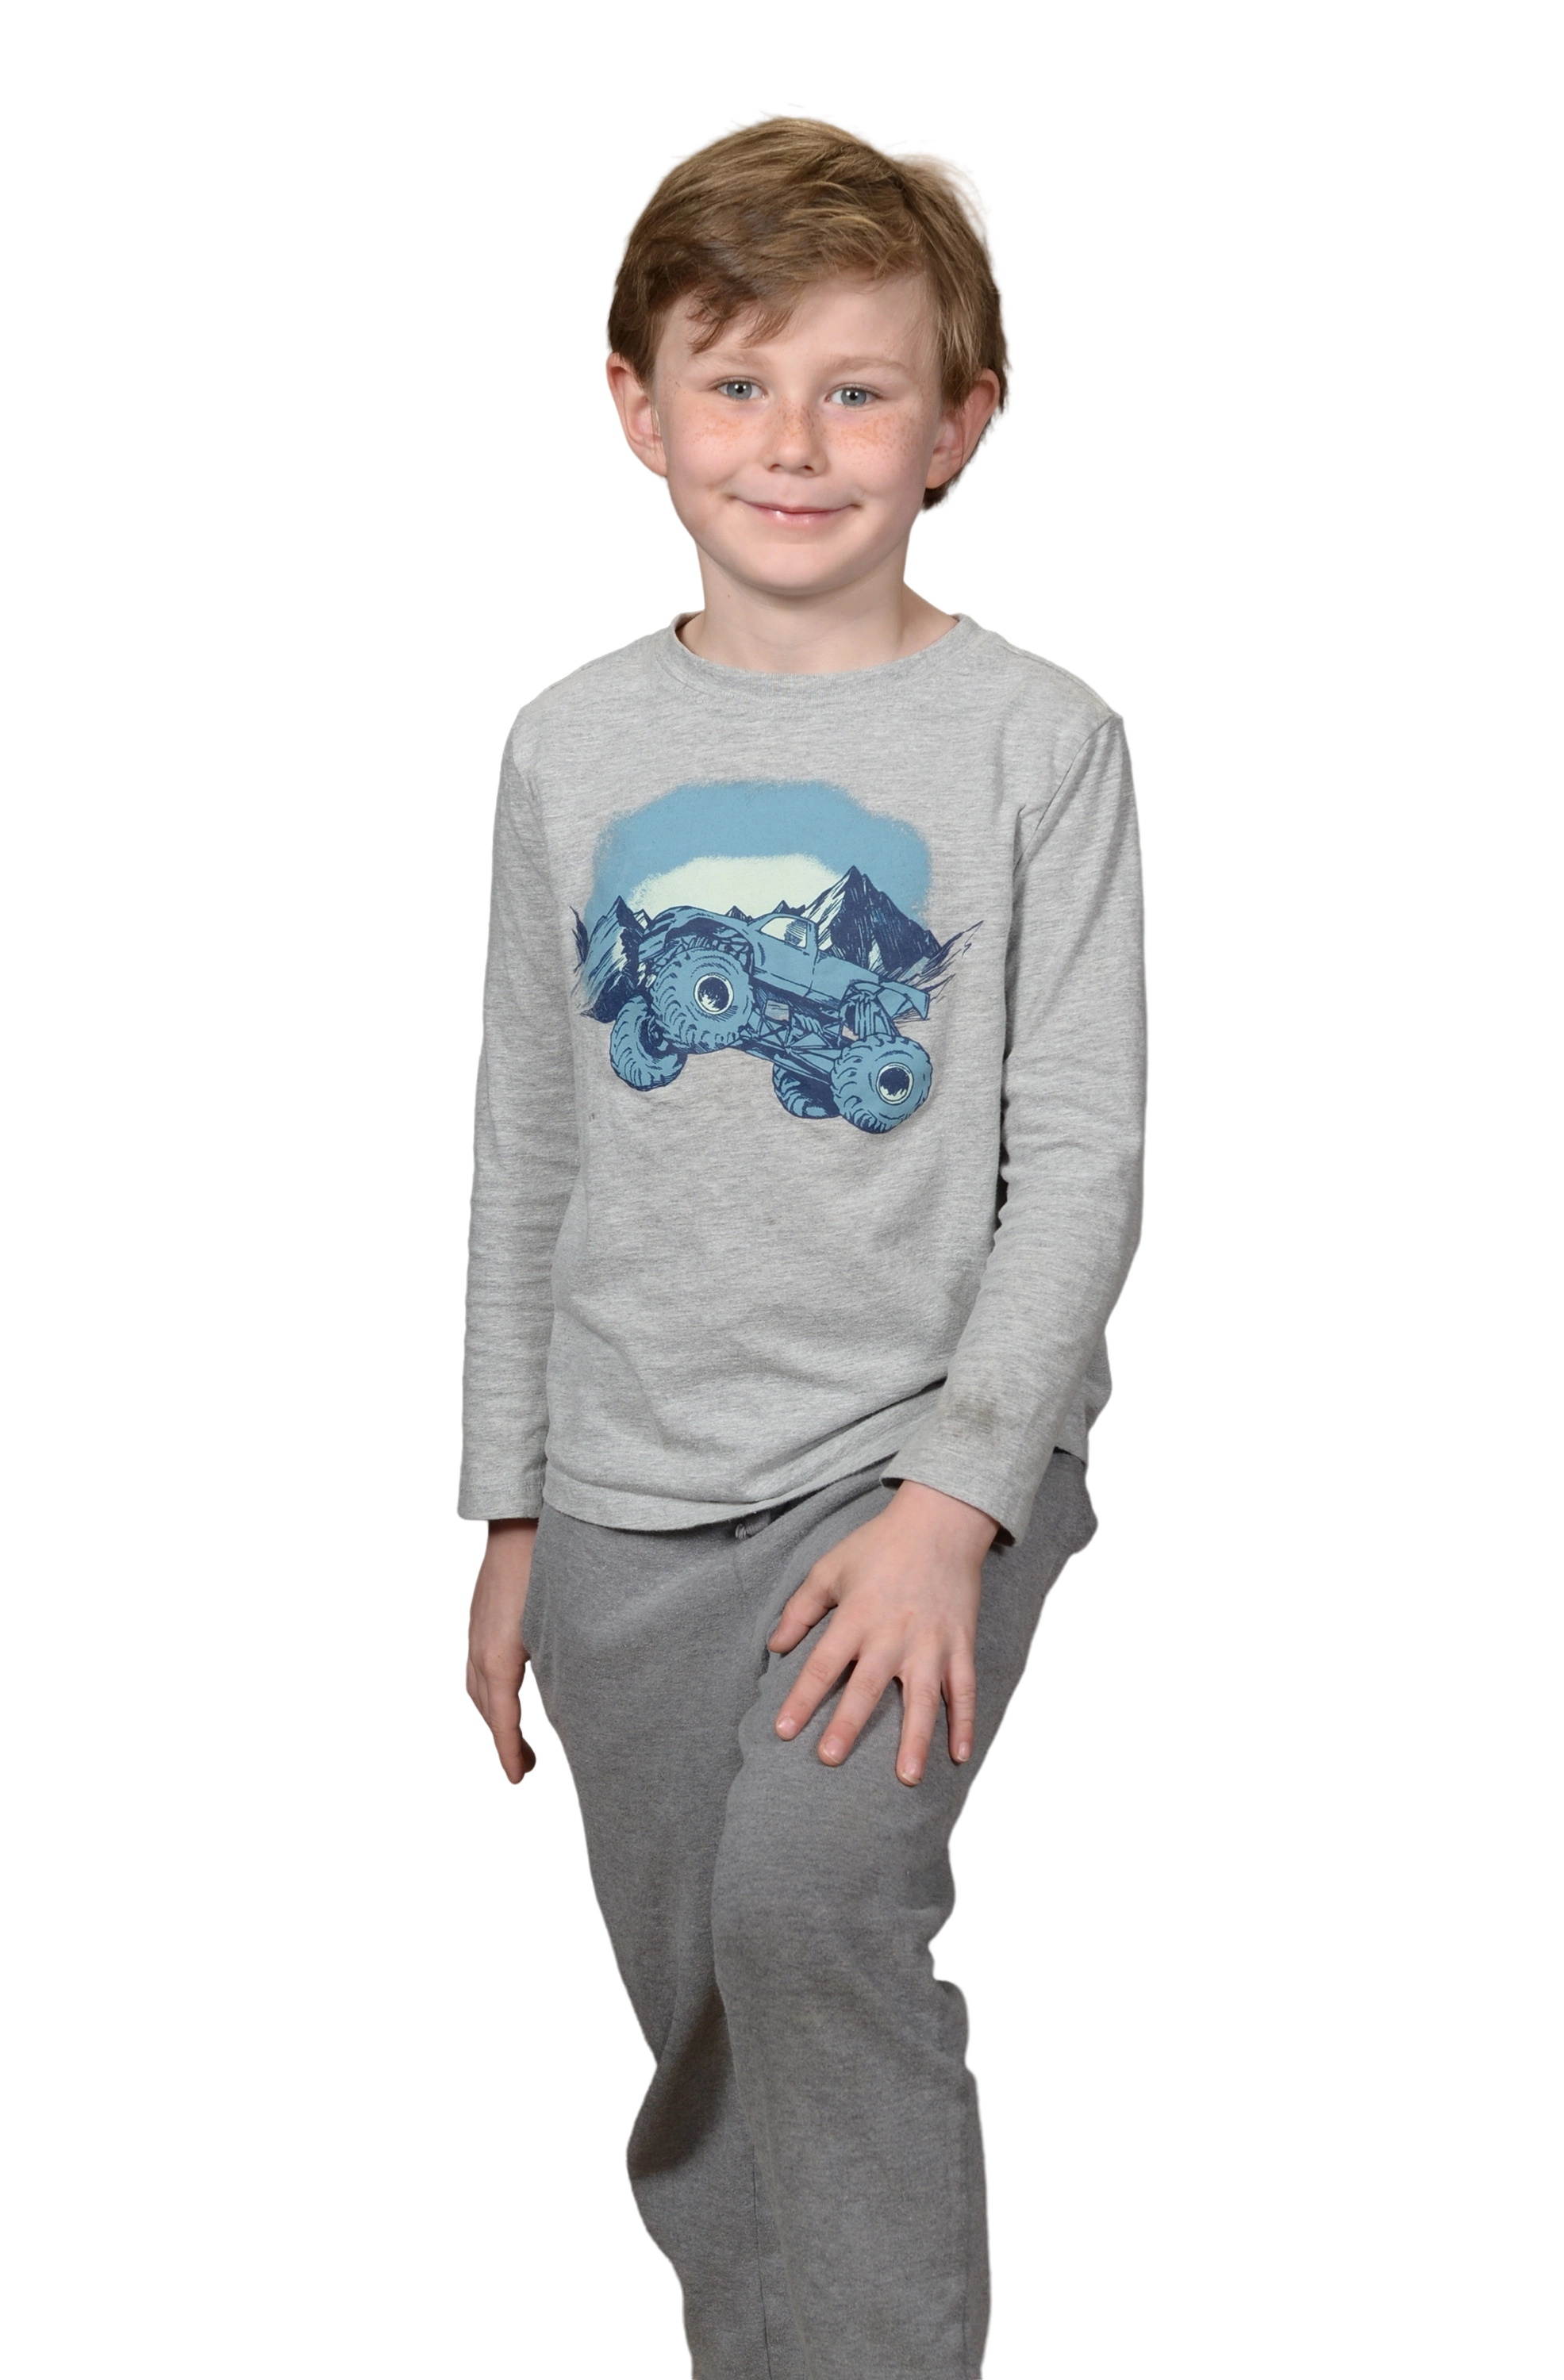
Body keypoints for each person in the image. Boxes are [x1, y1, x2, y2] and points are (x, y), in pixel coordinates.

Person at [459, 102, 1149, 2380]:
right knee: (696, 1988)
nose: (794, 440)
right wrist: (512, 1513)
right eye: (738, 380)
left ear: (957, 423)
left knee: (814, 1911)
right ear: (636, 406)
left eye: (859, 387)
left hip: (911, 1460)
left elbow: (1084, 1157)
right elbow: (532, 1147)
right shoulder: (568, 746)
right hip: (628, 1486)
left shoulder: (1038, 744)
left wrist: (958, 1499)